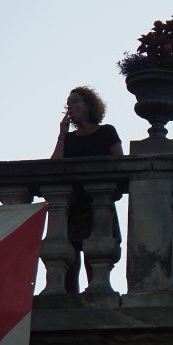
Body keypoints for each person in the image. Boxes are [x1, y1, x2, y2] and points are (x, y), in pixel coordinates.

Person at [51, 86, 123, 294]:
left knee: (95, 257)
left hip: (98, 204)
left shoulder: (107, 131)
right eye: (69, 103)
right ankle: (70, 306)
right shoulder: (70, 139)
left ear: (89, 106)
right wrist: (62, 135)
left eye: (76, 102)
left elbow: (120, 163)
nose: (71, 107)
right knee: (70, 261)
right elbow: (52, 167)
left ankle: (94, 298)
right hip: (72, 206)